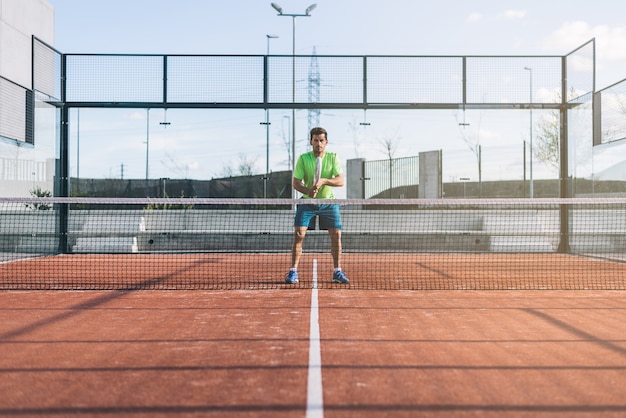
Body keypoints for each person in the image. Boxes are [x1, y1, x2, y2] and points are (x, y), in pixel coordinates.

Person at [285, 127, 350, 285]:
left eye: (321, 140)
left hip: (329, 202)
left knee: (336, 235)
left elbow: (340, 180)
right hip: (307, 202)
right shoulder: (303, 158)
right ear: (311, 142)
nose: (318, 144)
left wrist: (324, 181)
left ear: (326, 142)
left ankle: (337, 271)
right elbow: (295, 182)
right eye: (315, 140)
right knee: (299, 234)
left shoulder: (333, 157)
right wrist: (308, 190)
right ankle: (293, 271)